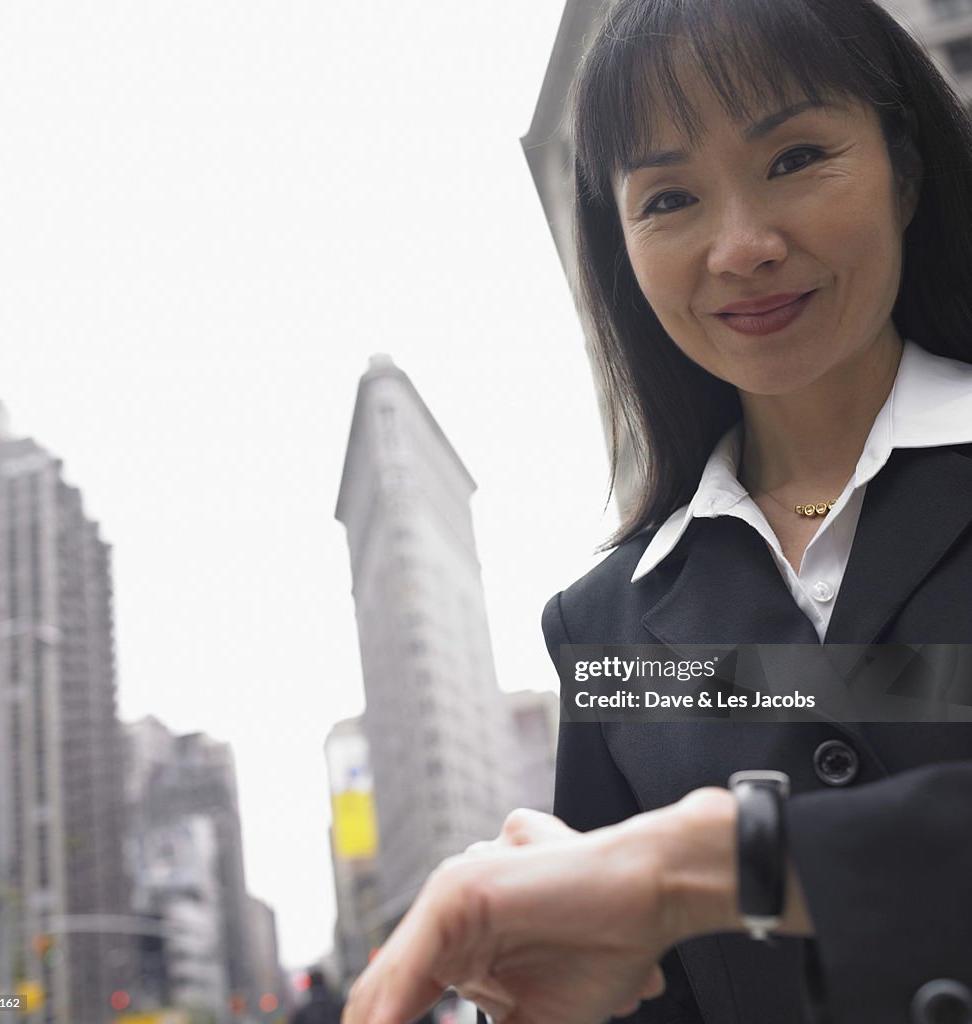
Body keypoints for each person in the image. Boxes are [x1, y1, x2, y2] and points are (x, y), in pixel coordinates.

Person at [342, 0, 972, 1022]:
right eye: (669, 198)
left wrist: (708, 863)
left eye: (795, 155)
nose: (741, 246)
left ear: (902, 167)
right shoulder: (606, 627)